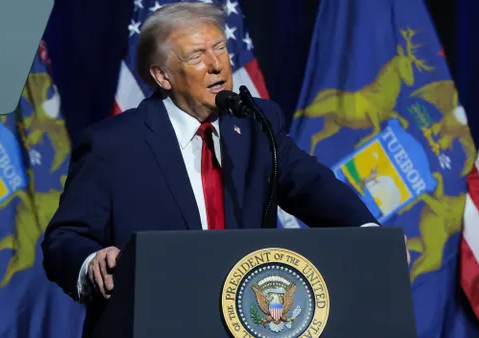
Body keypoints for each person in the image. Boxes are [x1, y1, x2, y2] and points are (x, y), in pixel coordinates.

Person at [41, 2, 409, 337]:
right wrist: (93, 262)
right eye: (198, 55)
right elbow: (65, 238)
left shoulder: (256, 124)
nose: (217, 64)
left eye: (220, 48)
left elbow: (312, 186)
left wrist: (370, 236)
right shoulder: (114, 144)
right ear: (163, 76)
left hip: (246, 323)